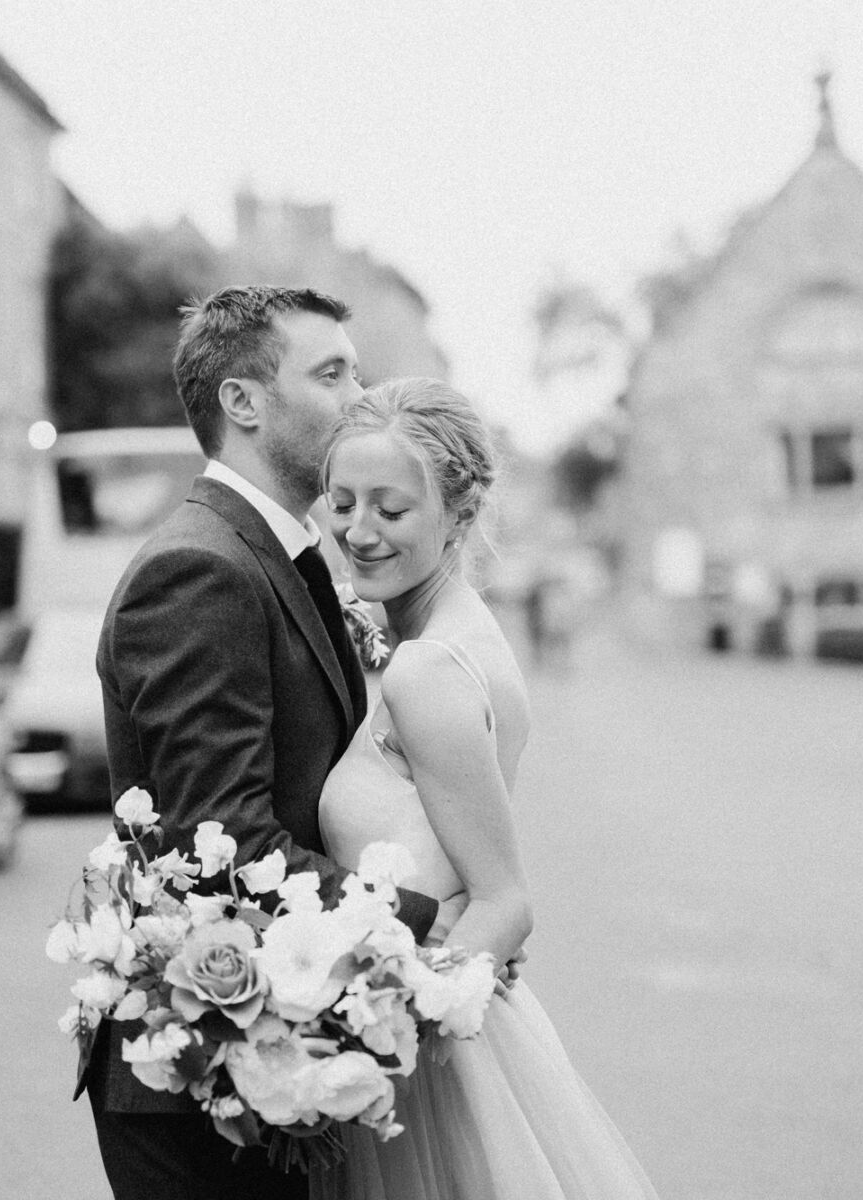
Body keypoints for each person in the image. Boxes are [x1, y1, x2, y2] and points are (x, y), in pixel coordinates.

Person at [83, 286, 447, 1200]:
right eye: (331, 374)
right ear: (243, 402)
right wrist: (430, 921)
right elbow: (226, 846)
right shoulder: (200, 570)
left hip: (272, 1053)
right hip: (200, 1076)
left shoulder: (281, 554)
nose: (360, 400)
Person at [312, 378, 660, 1200]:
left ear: (460, 515)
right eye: (343, 502)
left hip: (427, 1055)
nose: (358, 531)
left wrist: (368, 1030)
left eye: (391, 511)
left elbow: (504, 902)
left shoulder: (430, 669)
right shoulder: (459, 634)